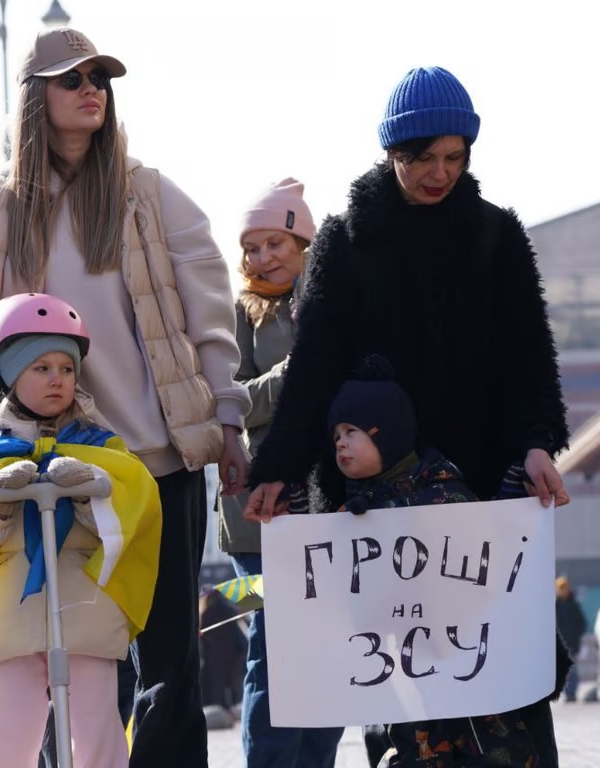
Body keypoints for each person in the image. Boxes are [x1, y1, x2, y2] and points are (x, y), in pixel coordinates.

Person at [0, 28, 251, 767]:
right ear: (35, 98)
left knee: (170, 658)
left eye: (99, 78)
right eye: (71, 79)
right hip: (48, 470)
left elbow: (208, 305)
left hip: (157, 461)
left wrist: (227, 418)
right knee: (62, 658)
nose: (91, 90)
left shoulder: (149, 193)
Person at [244, 66, 571, 766]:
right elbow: (314, 367)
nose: (438, 173)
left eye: (454, 157)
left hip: (478, 492)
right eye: (422, 157)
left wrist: (540, 443)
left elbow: (528, 357)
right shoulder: (346, 239)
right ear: (391, 152)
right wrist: (278, 468)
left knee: (499, 687)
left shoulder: (496, 234)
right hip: (374, 501)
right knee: (401, 699)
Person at [0, 292, 161, 767]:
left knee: (98, 737)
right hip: (10, 616)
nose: (57, 380)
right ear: (6, 373)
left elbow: (129, 520)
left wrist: (89, 493)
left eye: (66, 369)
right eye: (40, 367)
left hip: (84, 609)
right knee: (7, 740)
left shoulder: (102, 446)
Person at [324, 356, 542, 767]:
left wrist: (515, 498)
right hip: (400, 682)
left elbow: (492, 555)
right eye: (336, 433)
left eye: (351, 431)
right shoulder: (351, 517)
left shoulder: (445, 496)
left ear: (385, 435)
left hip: (468, 684)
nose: (339, 442)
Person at [217, 178, 345, 766]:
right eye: (252, 247)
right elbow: (228, 399)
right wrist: (299, 371)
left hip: (336, 507)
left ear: (305, 243)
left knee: (334, 656)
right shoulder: (236, 313)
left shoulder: (340, 302)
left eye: (276, 243)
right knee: (272, 652)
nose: (262, 257)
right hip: (256, 523)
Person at [197, 587, 247, 710]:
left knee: (214, 689)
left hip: (211, 659)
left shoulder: (204, 612)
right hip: (230, 658)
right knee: (229, 688)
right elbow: (239, 638)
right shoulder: (229, 610)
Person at [554, 577, 587, 703]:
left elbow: (582, 623)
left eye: (565, 588)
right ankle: (566, 693)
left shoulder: (574, 605)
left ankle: (572, 693)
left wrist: (576, 635)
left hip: (572, 644)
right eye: (561, 588)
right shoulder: (555, 606)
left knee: (572, 670)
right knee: (562, 671)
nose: (563, 591)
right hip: (559, 645)